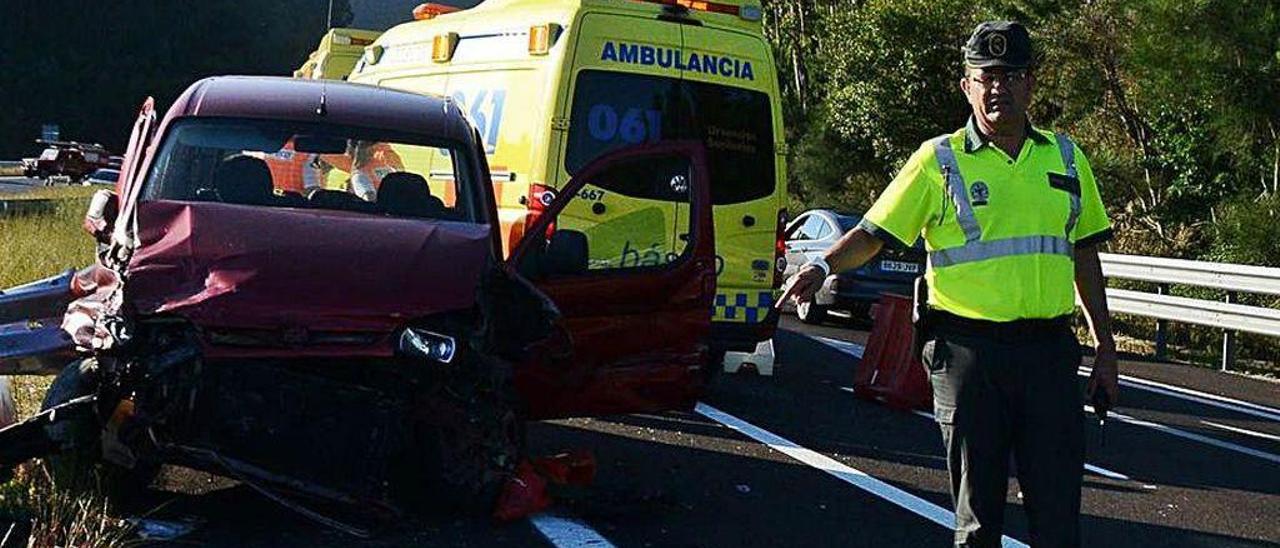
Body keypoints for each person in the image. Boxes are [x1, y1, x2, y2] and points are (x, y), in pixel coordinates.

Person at [778, 21, 1120, 547]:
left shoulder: (1067, 158)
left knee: (1058, 519)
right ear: (967, 85)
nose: (997, 87)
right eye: (985, 76)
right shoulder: (938, 160)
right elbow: (874, 234)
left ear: (1031, 84)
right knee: (979, 519)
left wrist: (1105, 344)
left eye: (1010, 75)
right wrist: (822, 267)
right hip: (968, 354)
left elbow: (1084, 255)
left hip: (1049, 355)